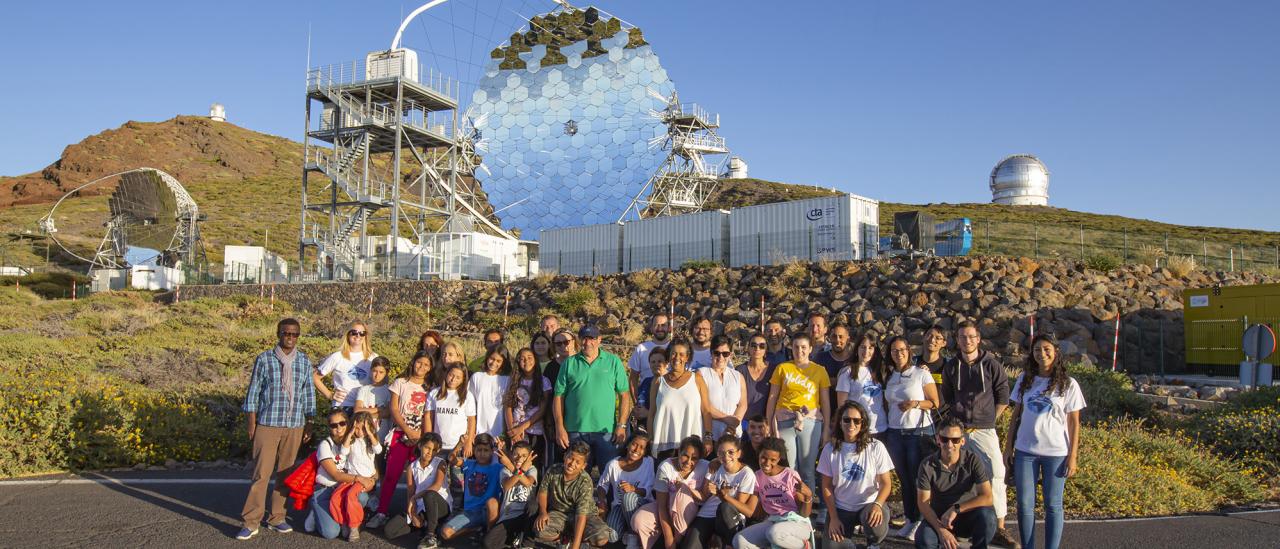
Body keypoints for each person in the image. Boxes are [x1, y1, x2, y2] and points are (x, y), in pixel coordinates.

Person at [238, 318, 316, 540]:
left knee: (285, 474)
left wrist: (310, 422)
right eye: (286, 333)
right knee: (261, 474)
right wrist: (251, 423)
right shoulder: (264, 359)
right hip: (268, 423)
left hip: (294, 425)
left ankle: (277, 517)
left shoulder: (303, 361)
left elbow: (308, 394)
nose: (290, 338)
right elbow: (254, 391)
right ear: (278, 334)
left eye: (294, 334)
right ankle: (251, 521)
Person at [1004, 335, 1085, 549]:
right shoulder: (1024, 379)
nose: (1042, 354)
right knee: (1024, 505)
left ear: (1056, 351)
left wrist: (1073, 456)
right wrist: (1008, 447)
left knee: (1053, 505)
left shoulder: (1068, 384)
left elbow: (1074, 423)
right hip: (1025, 450)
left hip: (1056, 453)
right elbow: (1015, 416)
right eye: (1037, 349)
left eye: (1047, 349)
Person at [940, 321, 1016, 547]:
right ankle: (964, 524)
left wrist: (991, 419)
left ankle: (1000, 527)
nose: (967, 340)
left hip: (984, 429)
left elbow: (1003, 395)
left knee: (996, 473)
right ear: (957, 339)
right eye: (962, 337)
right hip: (959, 430)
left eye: (971, 336)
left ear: (978, 338)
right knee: (959, 477)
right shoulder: (952, 366)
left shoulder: (991, 364)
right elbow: (948, 396)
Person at [882, 335, 941, 541]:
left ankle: (924, 521)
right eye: (894, 351)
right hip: (895, 432)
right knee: (904, 478)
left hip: (917, 433)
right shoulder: (889, 376)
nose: (899, 354)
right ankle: (910, 518)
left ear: (909, 351)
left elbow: (935, 402)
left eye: (902, 350)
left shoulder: (920, 374)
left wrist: (915, 403)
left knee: (918, 478)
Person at [368, 351, 434, 528]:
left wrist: (420, 435)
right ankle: (381, 512)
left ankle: (414, 514)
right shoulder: (400, 382)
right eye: (419, 362)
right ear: (413, 362)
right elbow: (394, 409)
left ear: (430, 368)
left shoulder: (430, 387)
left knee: (418, 478)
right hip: (400, 434)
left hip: (421, 437)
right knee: (391, 475)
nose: (422, 367)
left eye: (426, 365)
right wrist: (407, 431)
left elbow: (429, 414)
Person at [552, 325, 631, 472]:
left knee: (609, 477)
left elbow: (624, 395)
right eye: (584, 339)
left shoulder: (613, 361)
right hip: (575, 431)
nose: (588, 343)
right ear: (579, 340)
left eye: (592, 338)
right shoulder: (569, 363)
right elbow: (558, 396)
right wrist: (559, 427)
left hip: (607, 431)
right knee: (576, 477)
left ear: (599, 340)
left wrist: (622, 425)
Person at [818, 401, 894, 549]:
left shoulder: (876, 447)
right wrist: (833, 518)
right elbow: (826, 486)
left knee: (876, 528)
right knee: (832, 546)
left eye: (856, 420)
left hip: (869, 504)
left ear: (863, 423)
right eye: (846, 419)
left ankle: (874, 543)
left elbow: (886, 483)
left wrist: (878, 505)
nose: (851, 424)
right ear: (840, 422)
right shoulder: (829, 449)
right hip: (842, 507)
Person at [916, 418, 997, 549]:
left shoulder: (972, 460)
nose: (949, 444)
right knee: (923, 539)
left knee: (988, 517)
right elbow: (923, 503)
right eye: (944, 439)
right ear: (938, 439)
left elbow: (987, 497)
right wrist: (941, 530)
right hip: (939, 518)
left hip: (968, 516)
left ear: (962, 441)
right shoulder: (927, 465)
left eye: (955, 440)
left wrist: (956, 509)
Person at [765, 334, 831, 494]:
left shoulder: (819, 371)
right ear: (791, 348)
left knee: (808, 468)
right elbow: (772, 397)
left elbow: (825, 402)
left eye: (803, 347)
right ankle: (789, 504)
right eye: (796, 347)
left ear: (810, 349)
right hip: (784, 421)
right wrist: (768, 423)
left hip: (810, 422)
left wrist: (827, 428)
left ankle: (807, 508)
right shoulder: (782, 368)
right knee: (789, 466)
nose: (799, 351)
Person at [733, 437, 813, 549]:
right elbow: (751, 510)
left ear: (779, 459)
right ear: (758, 455)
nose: (767, 463)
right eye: (763, 458)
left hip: (796, 523)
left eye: (773, 460)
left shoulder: (790, 475)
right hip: (773, 521)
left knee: (775, 534)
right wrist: (726, 497)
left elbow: (804, 514)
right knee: (739, 540)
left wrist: (808, 496)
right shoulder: (757, 476)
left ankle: (803, 546)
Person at [630, 436, 710, 549]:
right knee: (639, 519)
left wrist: (716, 461)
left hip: (690, 512)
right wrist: (668, 537)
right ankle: (650, 545)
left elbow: (721, 463)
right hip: (667, 508)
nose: (689, 461)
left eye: (694, 458)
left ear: (700, 459)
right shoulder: (666, 467)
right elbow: (662, 506)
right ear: (678, 451)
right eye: (685, 455)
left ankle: (678, 540)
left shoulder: (705, 466)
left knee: (683, 491)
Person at [534, 441, 615, 548]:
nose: (572, 464)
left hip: (585, 515)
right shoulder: (553, 470)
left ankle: (577, 540)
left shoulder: (585, 481)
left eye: (578, 462)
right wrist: (543, 512)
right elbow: (543, 492)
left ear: (584, 466)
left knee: (602, 538)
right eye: (570, 458)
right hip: (560, 513)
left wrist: (575, 546)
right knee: (540, 530)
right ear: (564, 456)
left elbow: (581, 515)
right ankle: (567, 537)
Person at [311, 410, 377, 540]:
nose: (339, 428)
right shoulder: (326, 445)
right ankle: (315, 513)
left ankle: (349, 520)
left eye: (342, 423)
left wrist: (373, 480)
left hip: (344, 488)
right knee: (331, 533)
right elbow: (336, 475)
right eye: (333, 425)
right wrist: (360, 479)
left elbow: (371, 466)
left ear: (349, 424)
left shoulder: (356, 441)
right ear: (329, 427)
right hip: (325, 490)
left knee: (362, 497)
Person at [684, 435, 758, 549]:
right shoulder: (715, 466)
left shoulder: (746, 474)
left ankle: (726, 541)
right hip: (707, 514)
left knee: (725, 507)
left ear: (739, 453)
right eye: (721, 453)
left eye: (730, 452)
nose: (726, 456)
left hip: (729, 517)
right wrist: (688, 488)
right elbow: (703, 497)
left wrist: (722, 495)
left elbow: (737, 506)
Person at [649, 338, 710, 458]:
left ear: (687, 357)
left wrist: (708, 437)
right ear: (669, 356)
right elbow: (652, 413)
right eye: (673, 353)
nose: (677, 358)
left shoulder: (697, 379)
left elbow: (706, 411)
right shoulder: (658, 382)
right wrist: (650, 439)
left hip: (691, 448)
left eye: (682, 354)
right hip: (664, 446)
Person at [328, 411, 381, 541]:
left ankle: (354, 527)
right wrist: (350, 433)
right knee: (335, 498)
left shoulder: (370, 441)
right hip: (351, 478)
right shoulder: (351, 440)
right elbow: (343, 452)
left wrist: (369, 433)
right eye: (357, 428)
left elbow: (379, 450)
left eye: (363, 428)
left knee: (351, 495)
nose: (359, 431)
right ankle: (344, 522)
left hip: (365, 479)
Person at [440, 433, 504, 541]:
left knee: (492, 503)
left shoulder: (498, 467)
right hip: (470, 512)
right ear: (474, 450)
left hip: (489, 512)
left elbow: (512, 466)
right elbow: (451, 458)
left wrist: (503, 451)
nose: (482, 454)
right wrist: (460, 444)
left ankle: (489, 536)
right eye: (479, 450)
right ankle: (476, 529)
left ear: (492, 451)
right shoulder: (469, 464)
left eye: (486, 450)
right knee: (445, 533)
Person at [597, 433, 656, 546]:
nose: (637, 449)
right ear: (627, 445)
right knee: (612, 536)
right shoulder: (613, 464)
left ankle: (632, 535)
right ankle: (627, 528)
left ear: (645, 451)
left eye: (642, 447)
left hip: (642, 504)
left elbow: (648, 491)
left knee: (628, 497)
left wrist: (633, 489)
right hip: (619, 506)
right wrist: (602, 502)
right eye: (634, 444)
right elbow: (602, 485)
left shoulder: (648, 462)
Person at [484, 440, 540, 549]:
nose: (519, 459)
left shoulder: (532, 469)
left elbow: (528, 483)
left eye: (524, 456)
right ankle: (513, 539)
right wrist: (515, 468)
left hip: (526, 515)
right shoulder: (505, 471)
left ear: (529, 458)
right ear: (511, 454)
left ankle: (527, 545)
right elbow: (506, 486)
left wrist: (512, 465)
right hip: (508, 516)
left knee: (533, 505)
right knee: (488, 543)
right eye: (516, 455)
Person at [314, 321, 378, 412]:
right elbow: (315, 377)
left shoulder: (373, 357)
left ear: (365, 336)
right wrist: (329, 395)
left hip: (365, 408)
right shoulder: (337, 356)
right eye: (354, 333)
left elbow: (382, 381)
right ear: (348, 334)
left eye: (362, 333)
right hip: (342, 407)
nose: (358, 336)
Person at [835, 331, 888, 441]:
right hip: (858, 429)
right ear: (857, 349)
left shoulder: (880, 371)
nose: (866, 351)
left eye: (870, 348)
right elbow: (842, 406)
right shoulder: (847, 372)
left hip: (881, 428)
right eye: (863, 347)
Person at [505, 348, 552, 467]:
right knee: (516, 465)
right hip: (516, 432)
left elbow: (542, 409)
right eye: (522, 359)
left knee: (533, 465)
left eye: (530, 357)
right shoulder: (513, 380)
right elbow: (508, 407)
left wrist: (522, 428)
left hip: (535, 431)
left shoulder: (544, 381)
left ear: (535, 360)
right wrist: (513, 431)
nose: (526, 361)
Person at [402, 433, 450, 549]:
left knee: (429, 494)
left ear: (437, 451)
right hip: (421, 508)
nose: (429, 452)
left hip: (440, 507)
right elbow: (410, 493)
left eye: (434, 450)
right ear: (420, 446)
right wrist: (413, 514)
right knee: (391, 530)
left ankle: (431, 536)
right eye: (427, 448)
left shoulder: (440, 463)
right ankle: (424, 526)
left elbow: (437, 485)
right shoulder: (411, 467)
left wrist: (416, 497)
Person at [464, 348, 512, 455]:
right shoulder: (477, 377)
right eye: (492, 359)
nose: (494, 363)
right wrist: (471, 435)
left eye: (498, 361)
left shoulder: (507, 380)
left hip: (500, 435)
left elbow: (508, 408)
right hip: (479, 434)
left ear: (503, 363)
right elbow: (470, 408)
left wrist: (505, 433)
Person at [700, 335, 747, 439]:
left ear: (730, 355)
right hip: (709, 436)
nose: (721, 357)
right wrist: (727, 419)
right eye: (717, 353)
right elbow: (703, 405)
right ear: (711, 353)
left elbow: (743, 404)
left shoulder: (738, 376)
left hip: (733, 436)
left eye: (725, 354)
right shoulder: (702, 374)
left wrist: (734, 422)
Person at [428, 363, 470, 454]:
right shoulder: (434, 393)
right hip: (437, 445)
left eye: (458, 377)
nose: (453, 379)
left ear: (463, 379)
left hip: (458, 446)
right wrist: (427, 440)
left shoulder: (467, 395)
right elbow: (428, 417)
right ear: (446, 374)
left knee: (456, 469)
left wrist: (469, 442)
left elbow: (472, 420)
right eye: (451, 375)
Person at [628, 313, 673, 393]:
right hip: (646, 399)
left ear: (669, 328)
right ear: (651, 328)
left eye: (663, 325)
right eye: (656, 325)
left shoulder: (675, 348)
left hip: (670, 397)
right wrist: (636, 402)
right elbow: (633, 378)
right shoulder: (640, 349)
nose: (660, 328)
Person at [355, 356, 393, 449]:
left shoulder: (389, 390)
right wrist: (379, 409)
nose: (377, 375)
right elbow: (357, 410)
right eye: (375, 371)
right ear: (371, 370)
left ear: (386, 373)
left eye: (381, 372)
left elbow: (388, 413)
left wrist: (366, 415)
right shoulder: (363, 389)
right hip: (364, 436)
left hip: (382, 435)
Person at [737, 333, 776, 423]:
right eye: (753, 345)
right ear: (748, 348)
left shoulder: (774, 370)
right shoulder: (740, 370)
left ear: (766, 349)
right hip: (744, 421)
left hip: (766, 422)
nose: (757, 348)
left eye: (762, 346)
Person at [632, 347, 669, 431]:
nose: (656, 364)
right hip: (644, 429)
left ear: (667, 363)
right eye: (653, 362)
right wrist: (636, 410)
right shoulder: (646, 382)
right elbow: (640, 401)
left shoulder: (671, 384)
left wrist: (649, 413)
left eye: (660, 361)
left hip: (663, 429)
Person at [814, 324, 854, 399]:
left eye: (841, 337)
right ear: (829, 338)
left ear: (848, 339)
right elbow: (813, 381)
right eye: (834, 336)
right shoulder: (820, 358)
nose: (837, 340)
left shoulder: (854, 360)